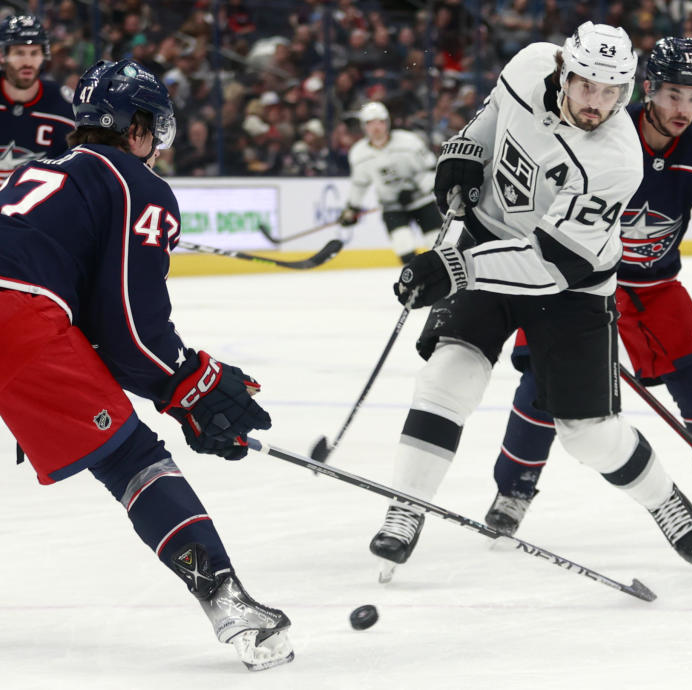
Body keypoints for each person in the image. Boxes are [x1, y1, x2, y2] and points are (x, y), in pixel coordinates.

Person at [369, 22, 692, 582]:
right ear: (563, 72)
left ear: (625, 90)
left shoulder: (616, 160)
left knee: (589, 434)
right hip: (486, 238)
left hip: (570, 286)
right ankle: (407, 505)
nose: (596, 103)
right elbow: (489, 121)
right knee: (449, 375)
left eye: (610, 91)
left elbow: (547, 263)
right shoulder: (530, 63)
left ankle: (662, 499)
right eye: (585, 87)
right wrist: (461, 155)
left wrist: (452, 268)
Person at [0, 59, 292, 672]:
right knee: (130, 459)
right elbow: (132, 332)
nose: (157, 141)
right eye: (153, 127)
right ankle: (229, 604)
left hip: (23, 311)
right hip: (16, 321)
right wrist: (191, 385)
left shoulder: (35, 169)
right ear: (134, 128)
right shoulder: (137, 184)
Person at [484, 37, 692, 543]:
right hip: (582, 286)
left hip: (655, 289)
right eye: (674, 94)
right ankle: (514, 489)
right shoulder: (607, 131)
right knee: (544, 388)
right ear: (650, 88)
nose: (684, 108)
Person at [338, 101, 445, 263]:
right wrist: (352, 208)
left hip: (422, 202)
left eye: (380, 122)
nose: (376, 127)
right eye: (370, 123)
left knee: (438, 246)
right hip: (391, 207)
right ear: (363, 126)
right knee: (403, 246)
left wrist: (417, 189)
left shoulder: (409, 142)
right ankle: (419, 283)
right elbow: (359, 184)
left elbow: (432, 170)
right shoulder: (358, 153)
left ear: (387, 123)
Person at [0, 15, 75, 180]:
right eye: (19, 53)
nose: (28, 62)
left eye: (34, 53)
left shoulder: (66, 107)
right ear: (2, 55)